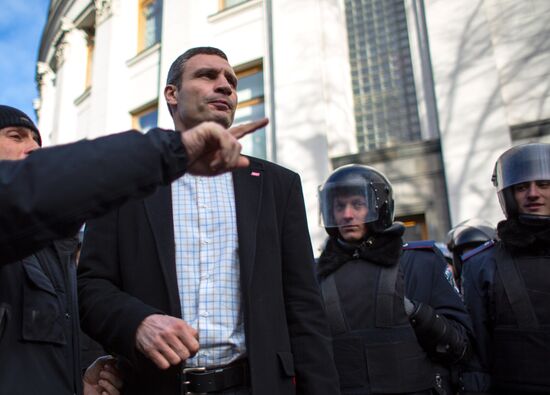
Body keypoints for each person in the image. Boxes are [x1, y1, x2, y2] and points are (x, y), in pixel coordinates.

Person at [77, 47, 340, 395]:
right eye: (207, 75)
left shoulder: (278, 186)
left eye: (231, 81)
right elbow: (90, 287)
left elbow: (304, 307)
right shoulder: (125, 183)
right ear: (172, 94)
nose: (226, 86)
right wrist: (136, 322)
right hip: (154, 387)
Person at [0, 104, 262, 395]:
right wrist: (170, 152)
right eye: (16, 136)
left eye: (38, 140)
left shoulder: (54, 254)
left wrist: (80, 383)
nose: (35, 149)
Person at [316, 164, 472, 395]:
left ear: (380, 206)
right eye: (339, 206)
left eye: (358, 204)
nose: (347, 214)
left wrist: (418, 314)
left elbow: (462, 346)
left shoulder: (421, 263)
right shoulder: (316, 273)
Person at [460, 143, 550, 394]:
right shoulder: (482, 264)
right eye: (522, 187)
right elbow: (476, 356)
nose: (533, 194)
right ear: (508, 194)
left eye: (543, 184)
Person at [445, 218, 496, 292]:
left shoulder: (499, 277)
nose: (473, 260)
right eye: (467, 255)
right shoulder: (456, 289)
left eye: (478, 254)